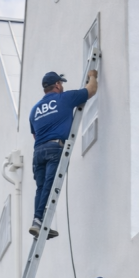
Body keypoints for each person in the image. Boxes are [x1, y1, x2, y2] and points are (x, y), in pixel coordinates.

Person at [29, 68, 98, 238]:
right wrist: (92, 76)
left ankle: (38, 222)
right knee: (49, 186)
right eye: (61, 84)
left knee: (40, 188)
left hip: (38, 151)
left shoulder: (34, 110)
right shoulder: (64, 99)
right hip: (54, 148)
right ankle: (39, 220)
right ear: (58, 85)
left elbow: (34, 135)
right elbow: (92, 90)